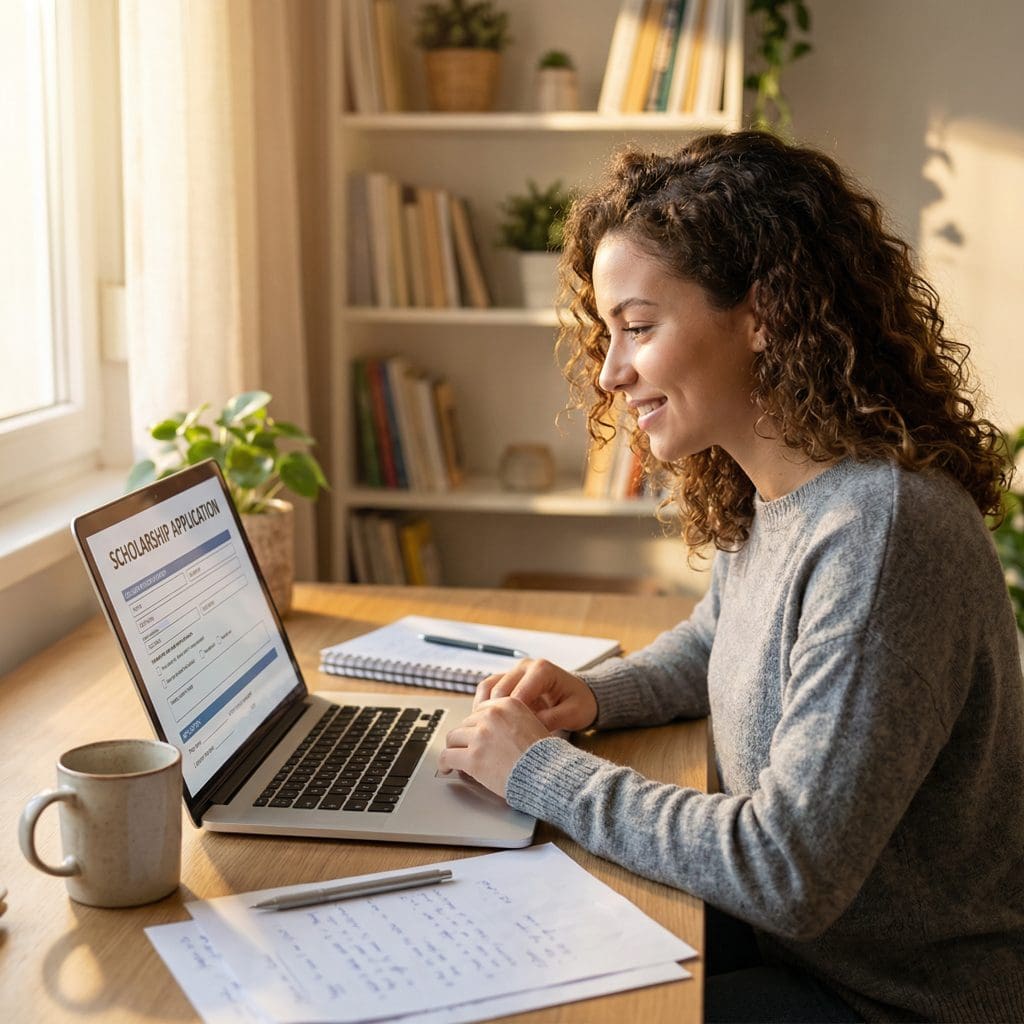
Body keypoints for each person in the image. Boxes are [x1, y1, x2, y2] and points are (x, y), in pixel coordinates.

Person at [438, 131, 1024, 1022]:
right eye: (607, 333)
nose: (609, 372)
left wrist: (540, 772)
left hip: (896, 1002)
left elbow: (785, 869)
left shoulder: (880, 533)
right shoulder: (784, 489)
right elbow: (722, 636)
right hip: (806, 957)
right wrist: (595, 699)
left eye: (638, 326)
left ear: (764, 314)